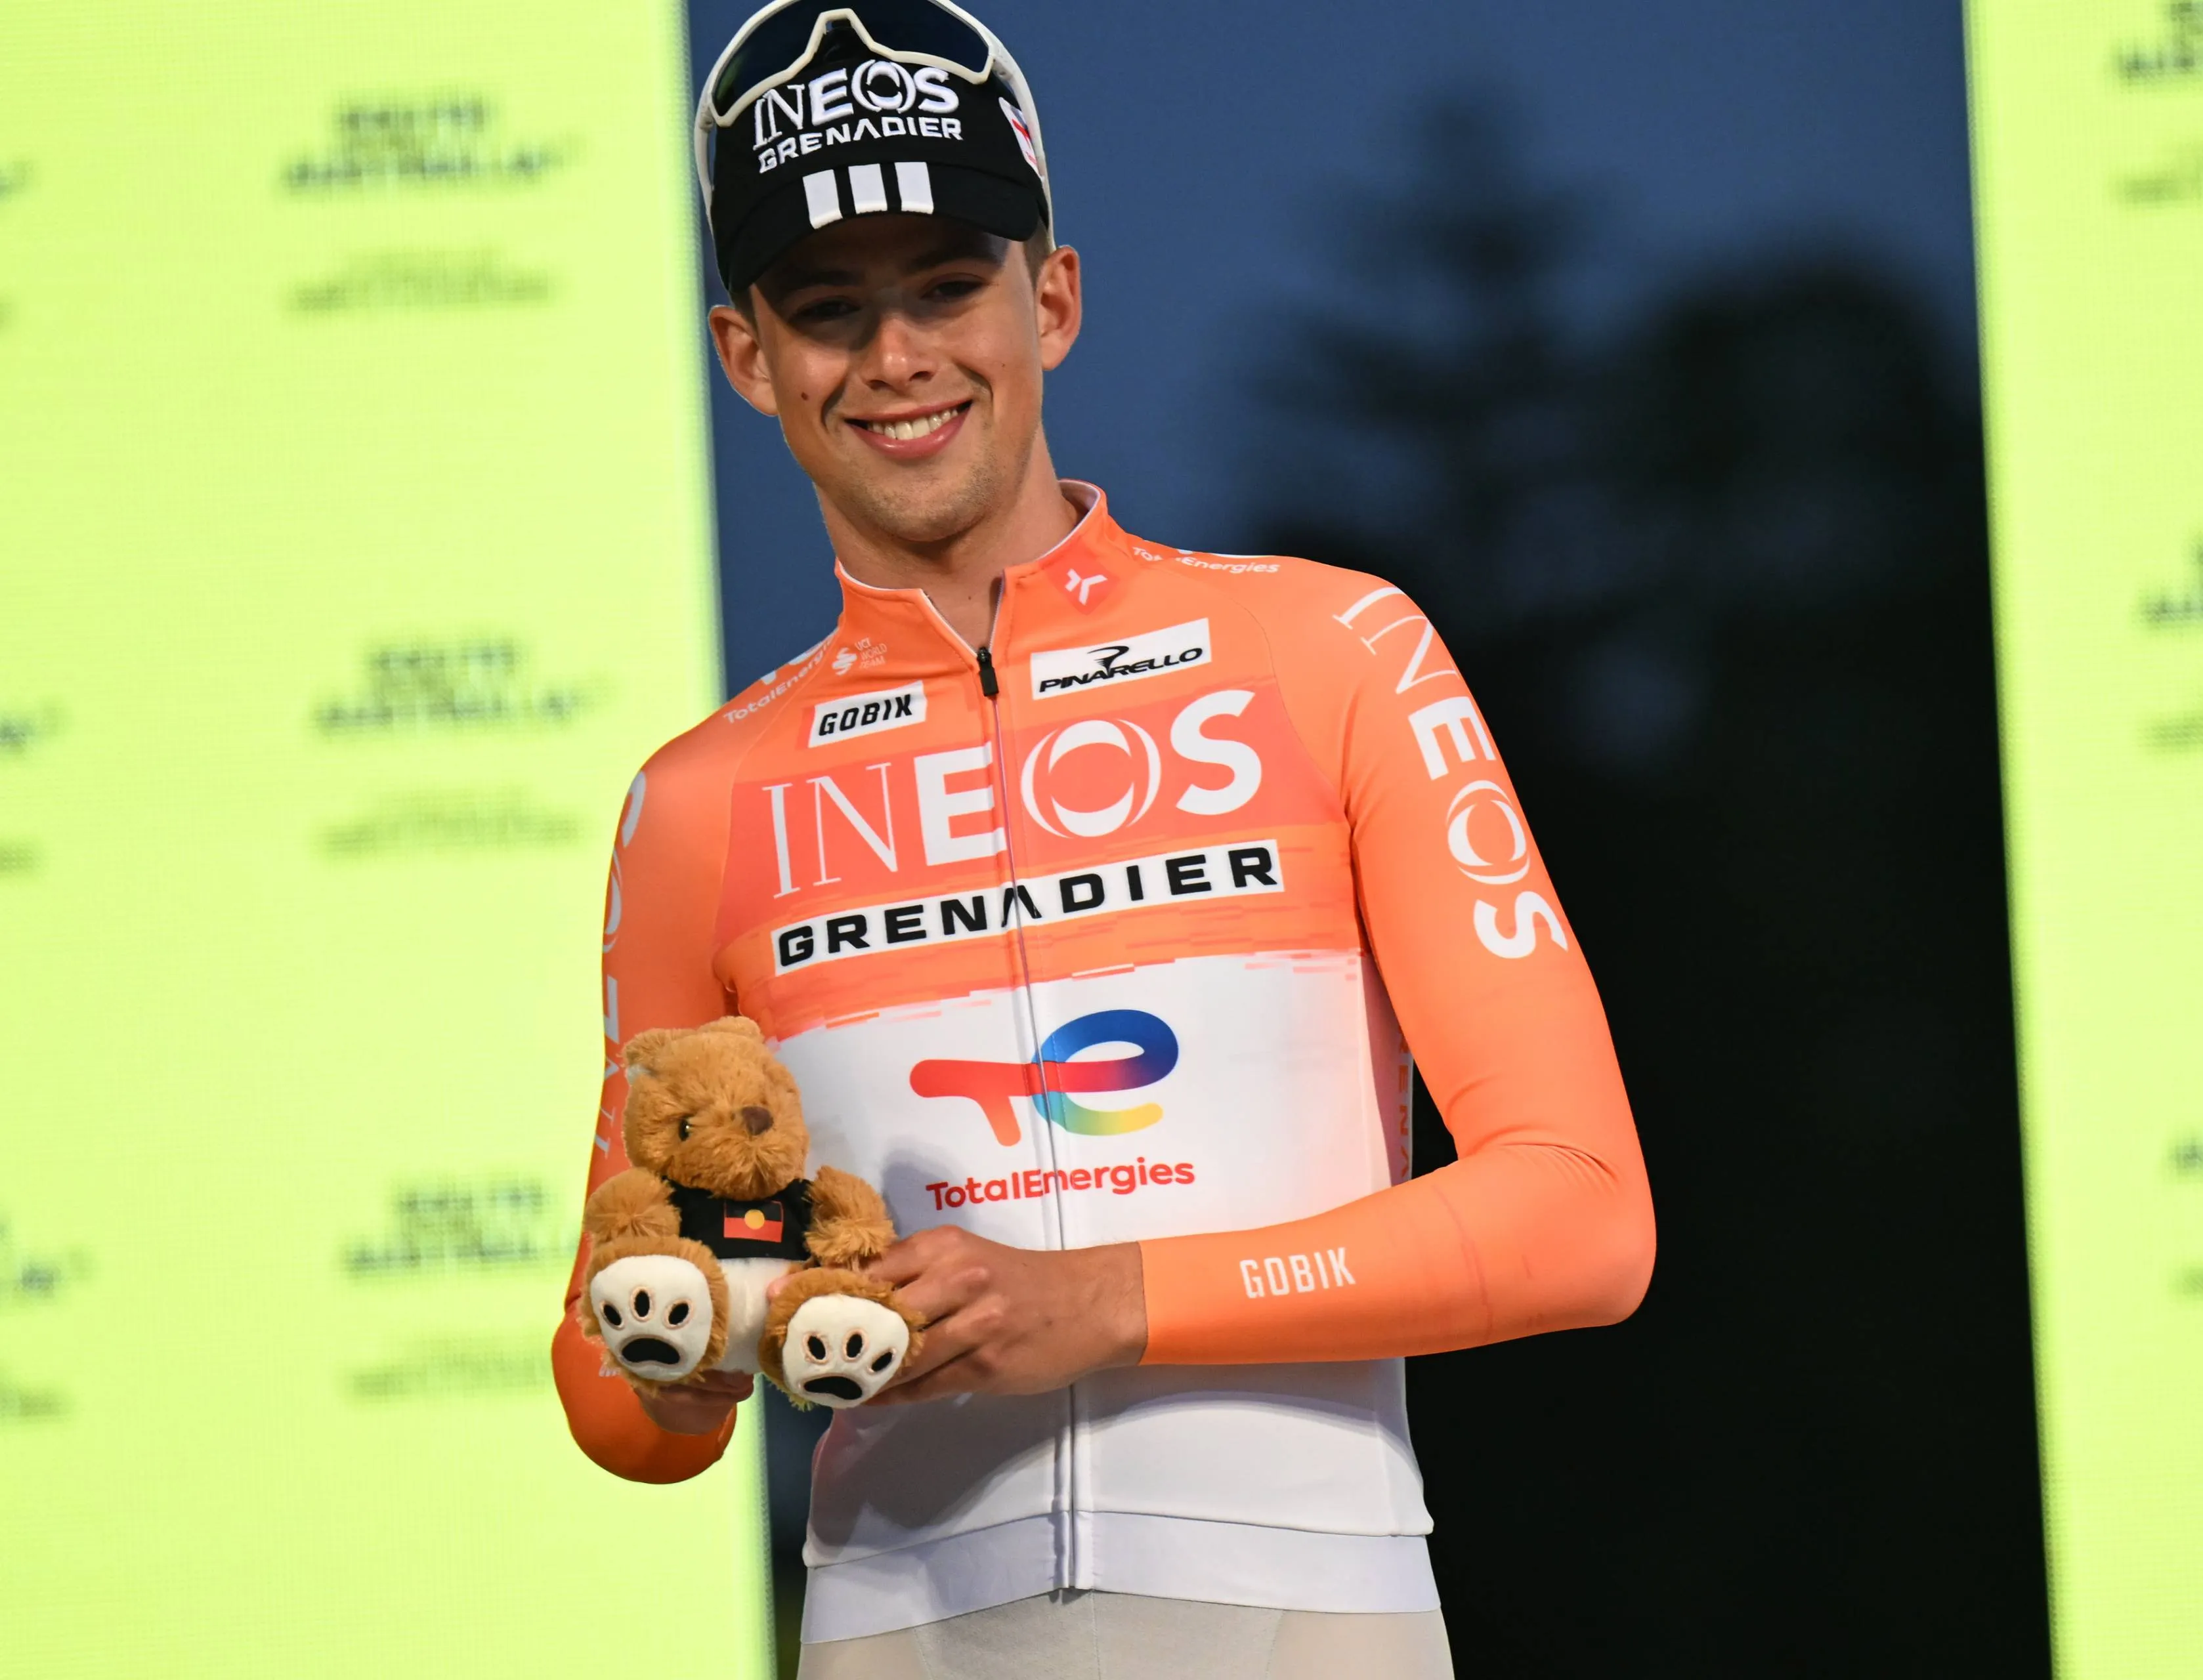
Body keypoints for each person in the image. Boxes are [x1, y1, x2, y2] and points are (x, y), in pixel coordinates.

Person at [549, 3, 1655, 1673]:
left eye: (946, 285)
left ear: (1050, 298)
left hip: (1309, 1611)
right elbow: (617, 1388)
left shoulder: (1332, 650)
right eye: (830, 310)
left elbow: (1581, 1214)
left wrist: (1109, 1297)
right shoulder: (698, 795)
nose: (898, 354)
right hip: (894, 1627)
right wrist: (695, 1343)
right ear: (745, 355)